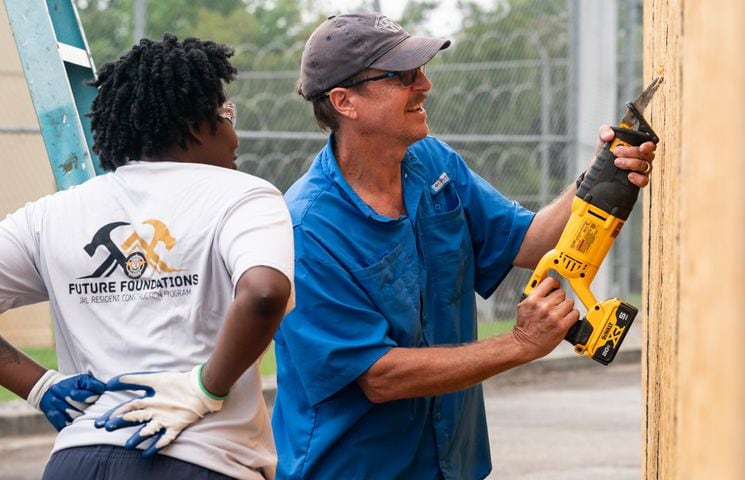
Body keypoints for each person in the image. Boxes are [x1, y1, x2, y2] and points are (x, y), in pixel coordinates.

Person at [271, 12, 656, 479]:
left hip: (453, 465)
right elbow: (378, 375)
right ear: (344, 101)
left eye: (422, 70)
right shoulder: (307, 230)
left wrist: (602, 175)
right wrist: (519, 345)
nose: (425, 84)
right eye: (403, 76)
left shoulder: (432, 164)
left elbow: (530, 241)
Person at [0, 34, 294, 479]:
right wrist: (203, 388)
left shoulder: (52, 214)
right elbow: (264, 294)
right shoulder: (243, 195)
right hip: (203, 460)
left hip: (77, 460)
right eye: (225, 116)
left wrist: (39, 386)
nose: (235, 137)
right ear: (197, 126)